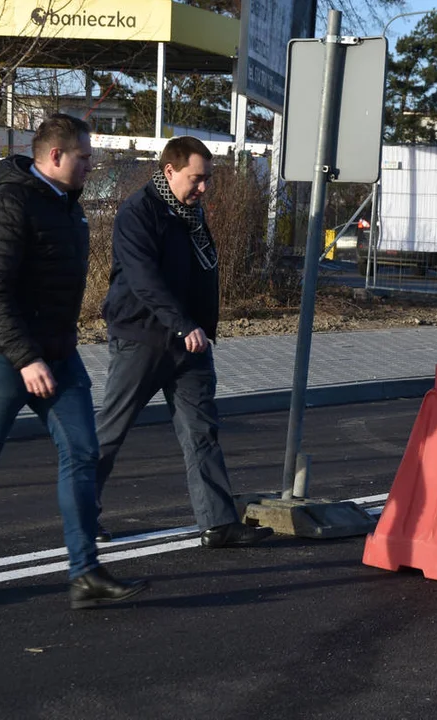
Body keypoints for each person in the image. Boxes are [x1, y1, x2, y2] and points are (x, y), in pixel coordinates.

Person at [0, 114, 148, 610]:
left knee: (83, 453)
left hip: (59, 354)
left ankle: (85, 574)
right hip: (6, 356)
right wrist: (26, 358)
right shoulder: (10, 202)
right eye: (85, 157)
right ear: (55, 156)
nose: (92, 165)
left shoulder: (68, 205)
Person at [95, 136, 272, 549]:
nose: (204, 187)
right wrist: (181, 323)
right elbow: (143, 279)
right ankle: (81, 515)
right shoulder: (138, 212)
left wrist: (200, 327)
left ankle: (218, 523)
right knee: (111, 431)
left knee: (201, 431)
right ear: (170, 171)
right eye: (197, 178)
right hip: (142, 339)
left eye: (207, 179)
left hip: (189, 342)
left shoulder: (189, 213)